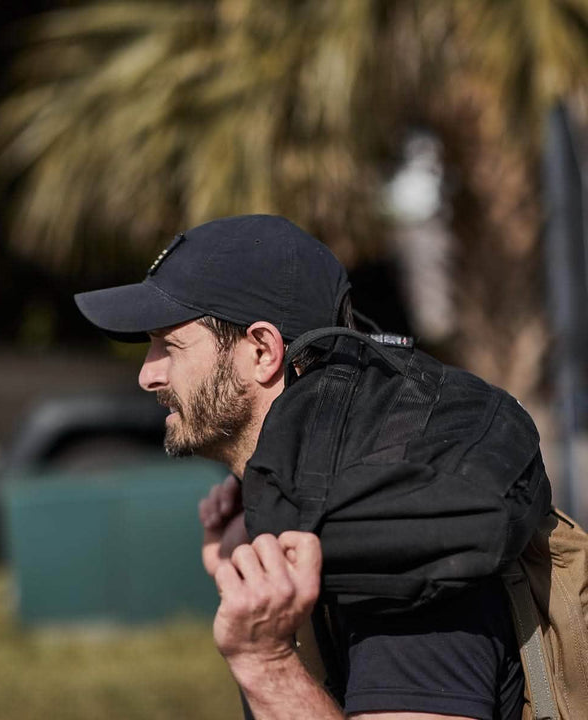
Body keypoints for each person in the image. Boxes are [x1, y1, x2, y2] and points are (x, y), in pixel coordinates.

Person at [75, 214, 525, 720]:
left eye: (169, 345)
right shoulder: (318, 506)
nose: (147, 375)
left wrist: (266, 662)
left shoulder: (400, 538)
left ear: (264, 351)